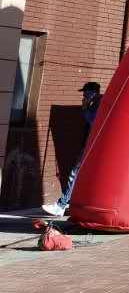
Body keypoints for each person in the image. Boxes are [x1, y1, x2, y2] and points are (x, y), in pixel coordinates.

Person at [44, 81, 103, 217]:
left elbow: (92, 120)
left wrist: (85, 107)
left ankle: (61, 205)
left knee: (74, 174)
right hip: (91, 145)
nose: (83, 96)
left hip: (91, 145)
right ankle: (74, 204)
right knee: (82, 175)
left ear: (92, 93)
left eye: (85, 93)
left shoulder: (98, 104)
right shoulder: (97, 103)